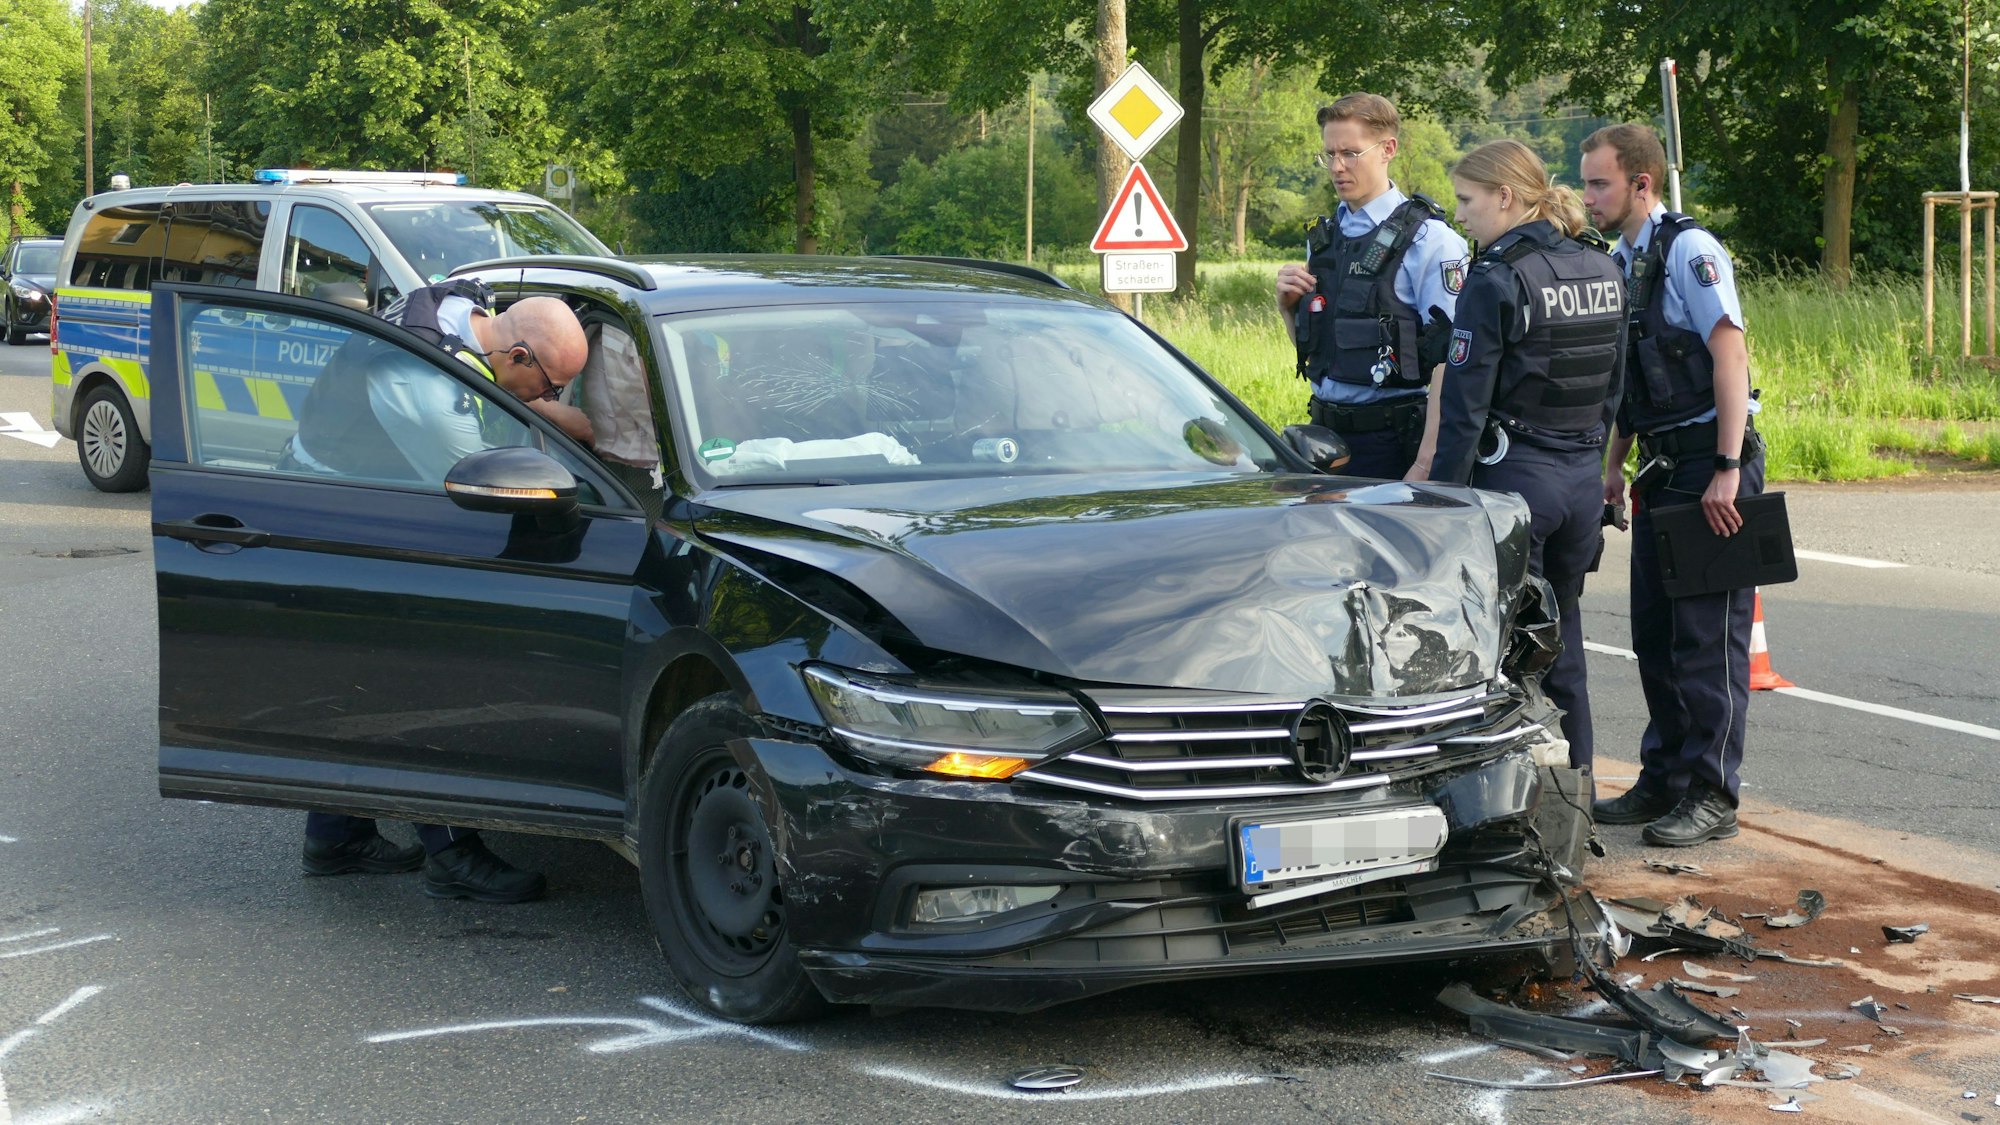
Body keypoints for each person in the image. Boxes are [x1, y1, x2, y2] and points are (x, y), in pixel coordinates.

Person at [293, 282, 595, 902]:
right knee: (423, 679)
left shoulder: (458, 310)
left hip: (341, 500)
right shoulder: (425, 387)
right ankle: (453, 852)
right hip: (340, 522)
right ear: (516, 356)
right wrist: (569, 434)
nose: (550, 397)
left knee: (362, 682)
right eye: (549, 385)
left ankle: (336, 834)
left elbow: (493, 395)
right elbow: (483, 479)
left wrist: (553, 411)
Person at [1580, 123, 1765, 847]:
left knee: (1707, 638)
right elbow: (1635, 378)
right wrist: (1613, 467)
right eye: (1588, 181)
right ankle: (1664, 779)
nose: (1588, 194)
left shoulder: (1690, 249)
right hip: (1661, 462)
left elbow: (1731, 358)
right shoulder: (1625, 260)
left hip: (1706, 464)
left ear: (1641, 184)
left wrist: (1725, 468)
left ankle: (1713, 792)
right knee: (1654, 633)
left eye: (1600, 182)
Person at [1426, 140, 1624, 777]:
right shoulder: (1602, 268)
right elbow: (1614, 388)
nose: (1460, 216)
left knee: (1502, 651)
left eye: (1467, 200)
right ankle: (1581, 786)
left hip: (1516, 488)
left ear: (1505, 198)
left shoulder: (1496, 277)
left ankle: (1512, 809)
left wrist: (1442, 504)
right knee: (1564, 644)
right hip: (1580, 484)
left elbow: (1464, 408)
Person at [1275, 93, 1469, 480]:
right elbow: (1322, 353)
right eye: (1328, 154)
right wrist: (1288, 307)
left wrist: (1425, 464)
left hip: (1393, 444)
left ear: (1387, 149)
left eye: (1350, 153)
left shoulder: (1430, 240)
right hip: (1322, 436)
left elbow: (1455, 363)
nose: (1337, 167)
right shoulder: (1325, 237)